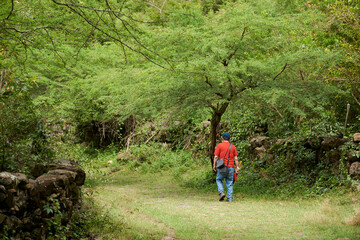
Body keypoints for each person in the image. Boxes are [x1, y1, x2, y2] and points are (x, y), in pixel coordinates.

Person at [213, 132, 240, 202]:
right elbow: (236, 158)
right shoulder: (233, 147)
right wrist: (237, 167)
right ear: (230, 139)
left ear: (222, 138)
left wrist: (214, 165)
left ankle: (221, 192)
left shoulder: (219, 145)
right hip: (231, 167)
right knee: (230, 182)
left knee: (219, 180)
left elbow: (216, 157)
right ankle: (230, 198)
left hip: (221, 167)